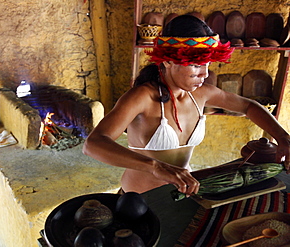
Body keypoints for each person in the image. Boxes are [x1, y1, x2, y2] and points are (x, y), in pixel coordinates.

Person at [82, 15, 290, 196]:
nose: (205, 73)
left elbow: (249, 106)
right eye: (196, 65)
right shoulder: (142, 97)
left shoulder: (201, 94)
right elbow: (93, 144)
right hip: (140, 199)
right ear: (167, 61)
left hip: (186, 193)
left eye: (207, 64)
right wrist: (155, 167)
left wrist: (282, 137)